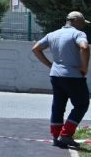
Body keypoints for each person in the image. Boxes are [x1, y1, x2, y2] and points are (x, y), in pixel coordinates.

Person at [32, 11, 90, 148]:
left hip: (55, 75)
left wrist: (50, 65)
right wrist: (84, 68)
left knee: (58, 106)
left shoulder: (53, 34)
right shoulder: (78, 34)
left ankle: (56, 136)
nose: (83, 26)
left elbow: (35, 49)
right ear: (76, 21)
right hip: (73, 77)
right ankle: (66, 135)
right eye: (82, 22)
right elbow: (84, 47)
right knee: (82, 104)